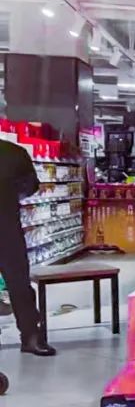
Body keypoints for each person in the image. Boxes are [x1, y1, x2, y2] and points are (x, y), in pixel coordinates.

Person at [0, 140, 55, 356]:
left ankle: (31, 336)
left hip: (6, 227)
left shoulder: (14, 152)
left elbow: (31, 185)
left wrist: (7, 193)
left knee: (19, 284)